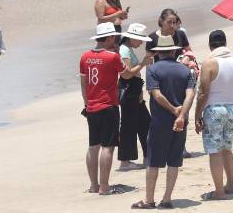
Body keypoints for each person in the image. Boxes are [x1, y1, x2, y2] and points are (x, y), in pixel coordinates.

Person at [131, 35, 196, 209]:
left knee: (153, 161)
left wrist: (174, 110)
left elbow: (156, 94)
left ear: (159, 52)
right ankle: (167, 199)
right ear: (174, 51)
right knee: (174, 161)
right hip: (180, 122)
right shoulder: (185, 71)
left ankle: (149, 199)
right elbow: (191, 95)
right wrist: (181, 115)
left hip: (160, 121)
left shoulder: (153, 69)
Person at [80, 22, 138, 195]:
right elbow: (127, 74)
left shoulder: (85, 56)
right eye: (114, 37)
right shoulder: (112, 57)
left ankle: (94, 185)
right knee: (108, 146)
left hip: (92, 106)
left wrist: (87, 103)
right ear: (109, 37)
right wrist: (141, 63)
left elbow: (83, 83)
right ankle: (104, 186)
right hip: (108, 105)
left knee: (93, 146)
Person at [194, 30, 233, 200]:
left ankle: (219, 191)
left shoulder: (209, 63)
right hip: (232, 109)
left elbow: (203, 93)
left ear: (210, 45)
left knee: (214, 151)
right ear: (225, 43)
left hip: (214, 110)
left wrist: (197, 116)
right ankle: (231, 184)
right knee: (226, 150)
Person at [118, 23, 153, 170]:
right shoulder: (124, 50)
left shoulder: (127, 49)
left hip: (133, 90)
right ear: (132, 38)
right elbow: (126, 74)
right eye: (140, 40)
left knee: (144, 123)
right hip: (129, 91)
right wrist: (143, 63)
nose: (141, 43)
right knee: (129, 126)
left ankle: (147, 156)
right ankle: (125, 161)